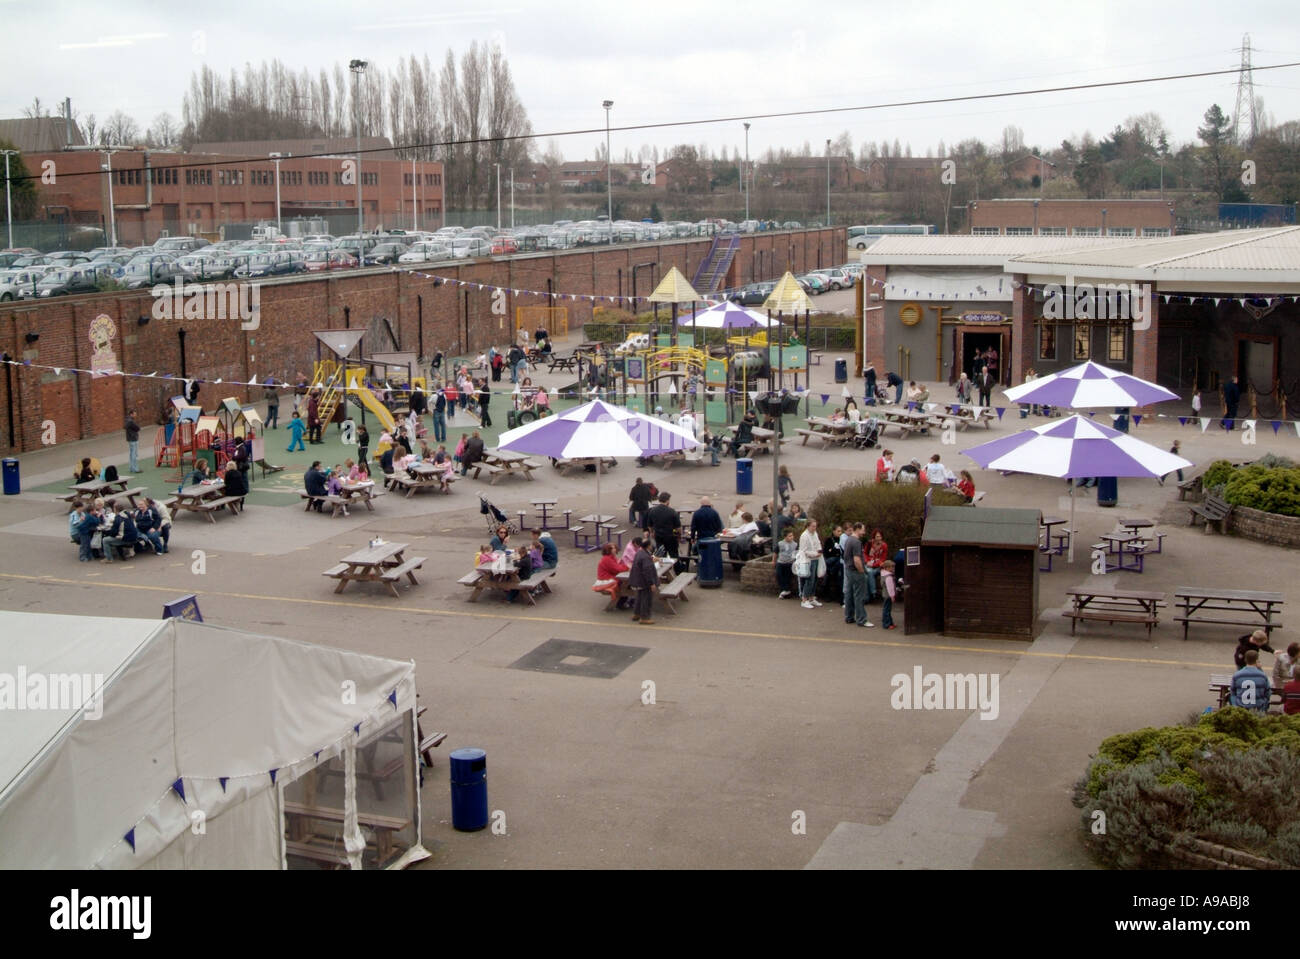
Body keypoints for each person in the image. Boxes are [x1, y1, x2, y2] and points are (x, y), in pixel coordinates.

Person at [843, 524, 873, 627]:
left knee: (849, 594)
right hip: (856, 571)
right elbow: (857, 559)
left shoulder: (848, 540)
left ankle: (849, 617)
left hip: (848, 570)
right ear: (858, 529)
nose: (864, 532)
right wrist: (862, 571)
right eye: (863, 530)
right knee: (859, 596)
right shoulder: (856, 542)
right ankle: (862, 619)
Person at [626, 537, 659, 625]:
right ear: (648, 546)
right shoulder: (645, 556)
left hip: (637, 579)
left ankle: (636, 613)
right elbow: (647, 571)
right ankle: (644, 617)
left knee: (639, 597)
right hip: (644, 581)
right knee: (646, 598)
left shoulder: (640, 552)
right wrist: (651, 583)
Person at [643, 492, 683, 565]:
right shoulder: (672, 511)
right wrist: (679, 534)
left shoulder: (652, 511)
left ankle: (662, 571)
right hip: (670, 537)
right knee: (674, 555)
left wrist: (652, 532)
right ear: (667, 500)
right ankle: (677, 571)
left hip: (658, 536)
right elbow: (678, 527)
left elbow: (649, 525)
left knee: (661, 555)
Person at [592, 542, 632, 610]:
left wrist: (624, 566)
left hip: (608, 578)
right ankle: (621, 603)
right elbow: (617, 569)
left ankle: (623, 602)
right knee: (625, 584)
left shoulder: (610, 558)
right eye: (613, 548)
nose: (615, 549)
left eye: (615, 548)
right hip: (606, 580)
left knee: (626, 583)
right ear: (608, 550)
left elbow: (617, 567)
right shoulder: (607, 559)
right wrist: (627, 567)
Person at [797, 518, 823, 609]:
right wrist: (815, 553)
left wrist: (819, 551)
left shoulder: (815, 534)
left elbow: (818, 543)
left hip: (815, 559)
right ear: (808, 526)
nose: (814, 528)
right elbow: (804, 551)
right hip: (807, 560)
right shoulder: (804, 536)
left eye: (815, 526)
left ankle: (811, 598)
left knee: (815, 579)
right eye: (813, 526)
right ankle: (804, 599)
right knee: (809, 580)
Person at [773, 528, 798, 599]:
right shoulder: (780, 543)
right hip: (781, 562)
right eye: (789, 536)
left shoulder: (795, 544)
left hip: (789, 563)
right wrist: (774, 561)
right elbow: (775, 553)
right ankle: (785, 590)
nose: (791, 537)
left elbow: (797, 553)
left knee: (787, 577)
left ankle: (786, 591)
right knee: (779, 575)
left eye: (792, 535)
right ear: (785, 537)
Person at [865, 528, 888, 602]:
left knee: (870, 572)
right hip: (869, 564)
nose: (879, 538)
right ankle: (868, 597)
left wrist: (874, 565)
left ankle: (873, 592)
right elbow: (865, 553)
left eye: (880, 536)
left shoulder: (884, 546)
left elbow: (883, 559)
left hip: (878, 566)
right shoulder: (869, 543)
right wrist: (867, 562)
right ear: (874, 537)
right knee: (866, 575)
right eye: (877, 536)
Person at [880, 560, 898, 629]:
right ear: (887, 568)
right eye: (892, 567)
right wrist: (892, 596)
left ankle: (890, 622)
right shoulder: (889, 577)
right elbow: (890, 588)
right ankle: (886, 624)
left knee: (887, 609)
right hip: (888, 596)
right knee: (887, 610)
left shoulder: (883, 574)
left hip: (885, 594)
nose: (893, 569)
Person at [124, 410, 141, 474]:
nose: (135, 415)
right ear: (131, 414)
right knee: (134, 454)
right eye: (134, 414)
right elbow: (138, 428)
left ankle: (131, 468)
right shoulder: (131, 421)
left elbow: (125, 427)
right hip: (133, 438)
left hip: (130, 439)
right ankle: (135, 469)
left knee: (131, 454)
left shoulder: (127, 420)